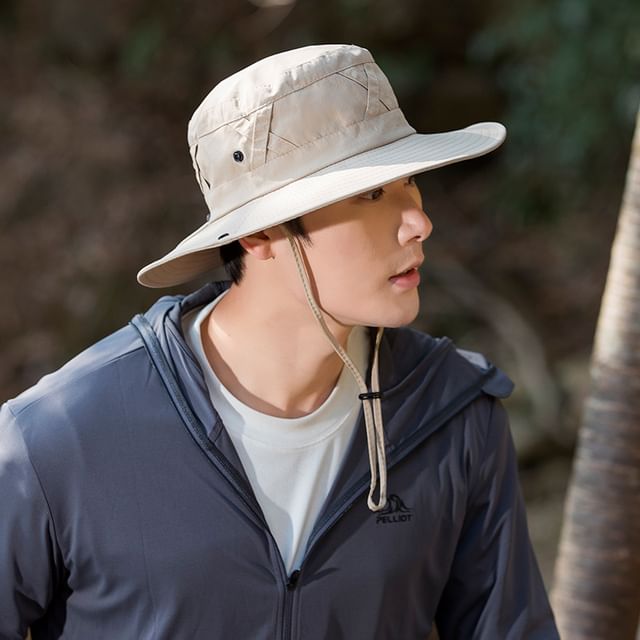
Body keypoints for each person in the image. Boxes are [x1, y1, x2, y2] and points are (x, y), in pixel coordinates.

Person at [0, 44, 560, 639]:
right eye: (371, 193)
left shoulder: (452, 414)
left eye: (410, 181)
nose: (418, 221)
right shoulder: (62, 436)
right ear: (261, 233)